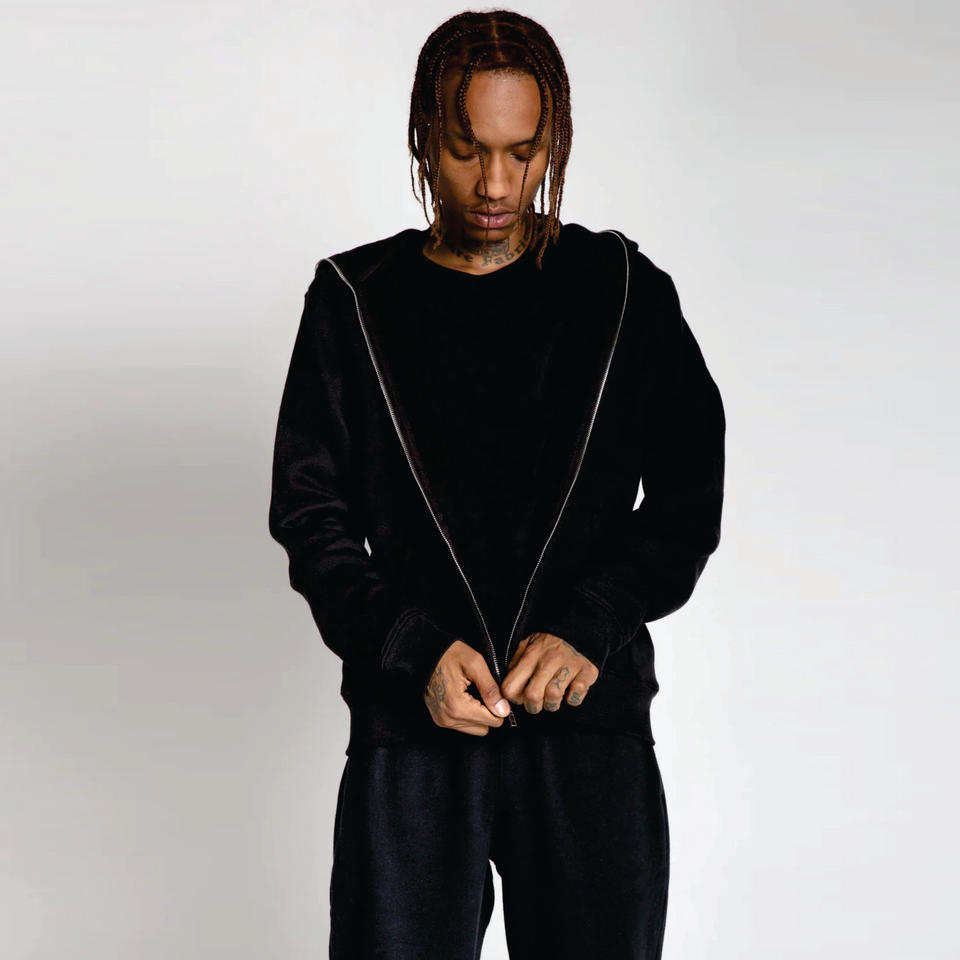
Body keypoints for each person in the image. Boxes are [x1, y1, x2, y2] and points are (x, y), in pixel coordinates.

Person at [268, 9, 725, 959]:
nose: (496, 184)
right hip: (412, 730)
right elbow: (311, 520)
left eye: (524, 152)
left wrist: (592, 622)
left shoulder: (622, 290)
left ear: (554, 141)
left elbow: (689, 495)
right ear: (424, 138)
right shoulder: (354, 301)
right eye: (467, 149)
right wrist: (411, 648)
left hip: (588, 724)